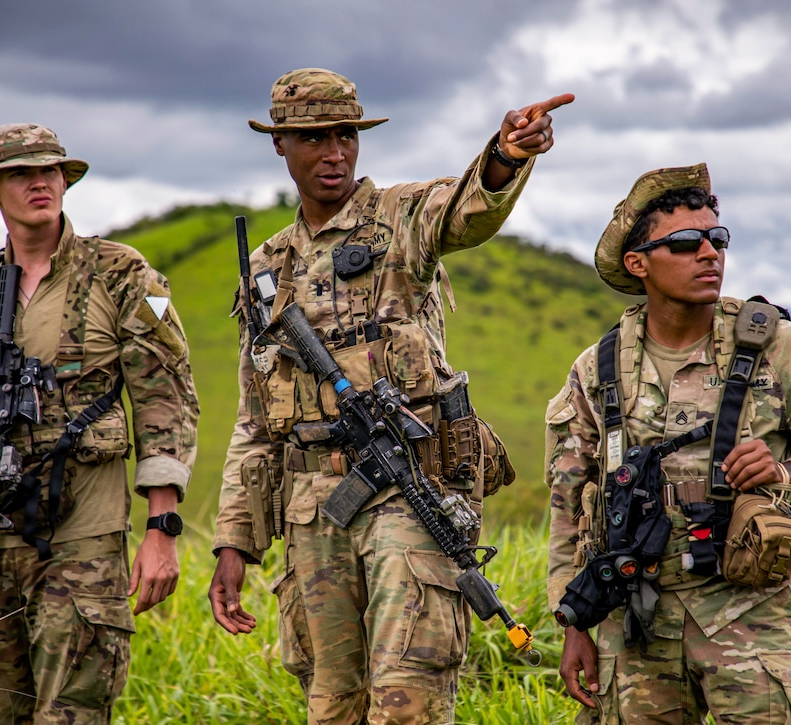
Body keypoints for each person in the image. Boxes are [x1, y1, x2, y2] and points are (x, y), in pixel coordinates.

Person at [208, 67, 573, 723]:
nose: (335, 152)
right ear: (280, 144)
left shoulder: (401, 217)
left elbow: (467, 208)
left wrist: (506, 154)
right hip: (310, 506)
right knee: (332, 703)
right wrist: (234, 541)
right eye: (315, 138)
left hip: (410, 484)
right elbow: (255, 419)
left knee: (409, 701)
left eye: (345, 134)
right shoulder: (264, 268)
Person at [545, 163, 791, 724]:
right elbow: (568, 500)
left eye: (716, 238)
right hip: (633, 621)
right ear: (638, 263)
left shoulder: (781, 347)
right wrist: (574, 623)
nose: (709, 253)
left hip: (748, 609)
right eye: (684, 242)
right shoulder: (598, 370)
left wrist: (787, 473)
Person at [0, 123, 199, 723]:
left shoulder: (120, 273)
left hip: (82, 533)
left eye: (51, 170)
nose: (41, 182)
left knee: (72, 712)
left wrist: (162, 527)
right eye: (20, 173)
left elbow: (164, 395)